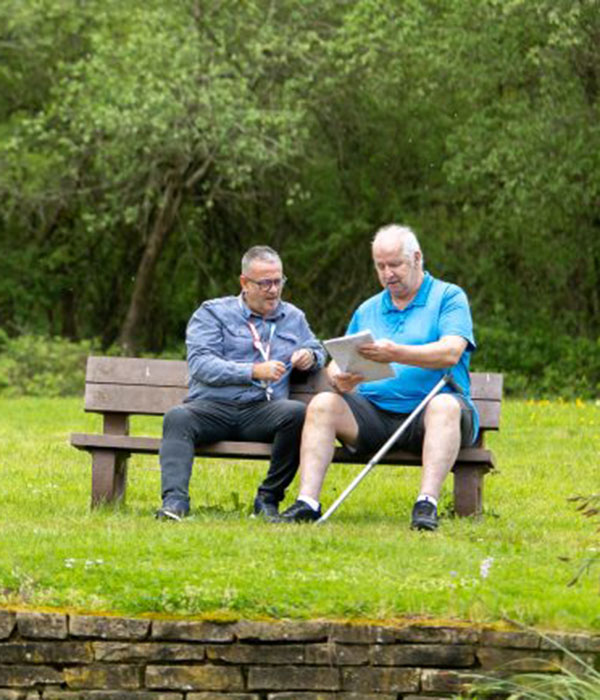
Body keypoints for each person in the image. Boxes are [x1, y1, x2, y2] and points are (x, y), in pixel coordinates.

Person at [274, 224, 479, 531]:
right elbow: (338, 360)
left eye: (395, 264)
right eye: (380, 266)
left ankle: (426, 504)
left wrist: (395, 353)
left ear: (417, 258)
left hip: (430, 414)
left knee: (445, 406)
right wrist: (339, 377)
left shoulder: (448, 297)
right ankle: (308, 503)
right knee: (323, 404)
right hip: (373, 415)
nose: (387, 274)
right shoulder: (369, 308)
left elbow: (451, 352)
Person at [156, 245, 325, 521]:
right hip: (212, 406)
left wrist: (311, 356)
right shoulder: (212, 313)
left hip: (262, 409)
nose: (273, 290)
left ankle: (267, 499)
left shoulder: (293, 317)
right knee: (178, 418)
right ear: (244, 283)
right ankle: (174, 503)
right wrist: (252, 371)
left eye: (278, 281)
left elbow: (317, 348)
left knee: (295, 413)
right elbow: (201, 365)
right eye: (265, 283)